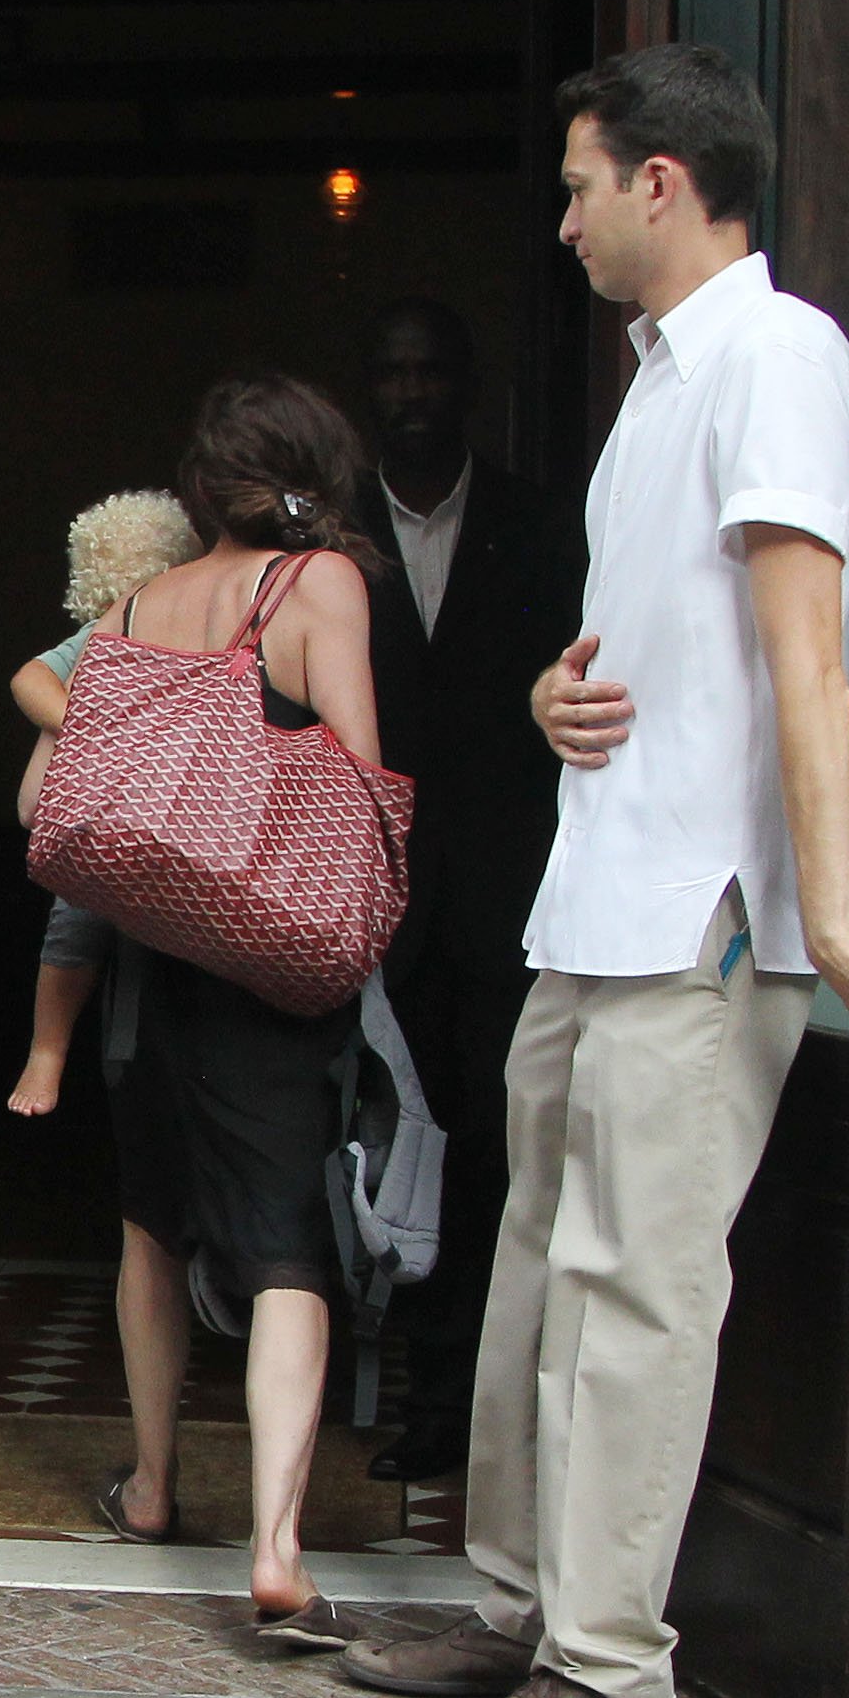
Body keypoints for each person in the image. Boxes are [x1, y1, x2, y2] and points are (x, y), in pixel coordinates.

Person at [345, 43, 849, 1698]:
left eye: (573, 185)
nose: (557, 223)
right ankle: (528, 1611)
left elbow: (806, 646)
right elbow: (670, 647)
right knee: (540, 1272)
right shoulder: (660, 382)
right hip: (594, 902)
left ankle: (612, 1677)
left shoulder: (774, 356)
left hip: (696, 916)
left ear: (659, 181)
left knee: (633, 1291)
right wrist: (560, 697)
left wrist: (833, 921)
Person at [14, 376, 389, 1644]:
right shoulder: (316, 588)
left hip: (147, 968)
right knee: (288, 1242)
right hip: (269, 970)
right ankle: (276, 1547)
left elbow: (58, 777)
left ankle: (158, 1485)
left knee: (151, 1224)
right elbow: (349, 769)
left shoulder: (131, 609)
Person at [347, 298, 588, 1483]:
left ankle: (473, 1411)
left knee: (494, 1147)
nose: (411, 393)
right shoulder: (329, 539)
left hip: (505, 892)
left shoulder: (539, 522)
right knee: (392, 1143)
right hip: (371, 890)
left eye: (430, 371)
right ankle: (405, 1395)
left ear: (465, 386)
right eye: (391, 372)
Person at [6, 490, 194, 1117]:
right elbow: (29, 677)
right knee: (73, 927)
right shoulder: (105, 633)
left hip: (171, 825)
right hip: (95, 824)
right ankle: (47, 1051)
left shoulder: (205, 641)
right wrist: (81, 724)